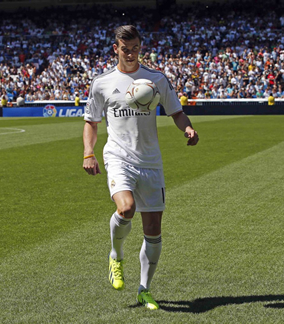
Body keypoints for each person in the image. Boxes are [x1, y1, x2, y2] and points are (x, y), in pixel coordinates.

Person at [82, 25, 199, 311]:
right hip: (118, 157)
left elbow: (177, 112)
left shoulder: (156, 79)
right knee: (126, 209)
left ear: (140, 47)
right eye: (125, 49)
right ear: (115, 49)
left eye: (135, 48)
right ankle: (116, 255)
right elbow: (91, 121)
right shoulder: (102, 82)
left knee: (153, 230)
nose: (131, 53)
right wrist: (89, 152)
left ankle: (144, 290)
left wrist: (188, 129)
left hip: (151, 161)